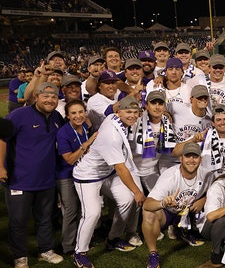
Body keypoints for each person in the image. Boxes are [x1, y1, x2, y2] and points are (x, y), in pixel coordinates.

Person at [72, 96, 145, 268]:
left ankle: (113, 238)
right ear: (118, 112)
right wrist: (137, 191)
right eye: (128, 112)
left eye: (135, 112)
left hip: (106, 172)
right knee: (93, 213)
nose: (132, 115)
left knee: (126, 201)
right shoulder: (112, 135)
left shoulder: (114, 117)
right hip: (88, 176)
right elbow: (121, 168)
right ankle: (79, 252)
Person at [1, 82, 65, 268]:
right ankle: (20, 256)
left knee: (44, 218)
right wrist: (0, 167)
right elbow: (2, 138)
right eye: (45, 96)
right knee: (18, 221)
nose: (50, 100)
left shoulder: (56, 116)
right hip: (19, 180)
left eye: (54, 97)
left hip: (46, 179)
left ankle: (45, 250)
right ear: (36, 97)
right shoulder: (19, 115)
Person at [141, 142, 215, 268]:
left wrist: (204, 199)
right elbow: (147, 204)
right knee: (149, 214)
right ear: (181, 158)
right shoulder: (170, 177)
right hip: (169, 212)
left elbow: (218, 188)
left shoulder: (208, 175)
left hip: (189, 212)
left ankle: (183, 230)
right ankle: (153, 255)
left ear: (200, 159)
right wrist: (162, 203)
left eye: (195, 156)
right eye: (187, 156)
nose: (191, 160)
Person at [56, 99, 98, 255]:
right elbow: (69, 159)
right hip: (66, 175)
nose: (78, 116)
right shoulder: (63, 132)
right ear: (67, 115)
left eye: (81, 112)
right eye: (73, 113)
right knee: (71, 210)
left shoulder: (86, 126)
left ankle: (82, 242)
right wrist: (87, 144)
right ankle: (68, 246)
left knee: (84, 208)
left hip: (84, 172)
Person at [128, 90, 177, 187]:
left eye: (160, 103)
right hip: (132, 169)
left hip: (151, 170)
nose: (157, 107)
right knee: (134, 199)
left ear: (164, 106)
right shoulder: (135, 121)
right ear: (146, 105)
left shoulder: (167, 123)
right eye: (153, 103)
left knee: (159, 197)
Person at [175, 104, 225, 178]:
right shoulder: (204, 136)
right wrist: (193, 140)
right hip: (207, 180)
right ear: (213, 123)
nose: (222, 123)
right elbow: (176, 151)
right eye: (218, 120)